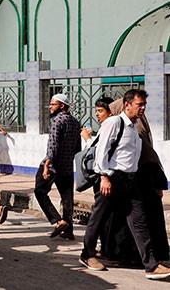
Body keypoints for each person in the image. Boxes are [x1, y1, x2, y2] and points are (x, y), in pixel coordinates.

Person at [79, 90, 170, 280]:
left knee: (139, 222)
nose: (142, 108)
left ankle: (151, 266)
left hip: (130, 182)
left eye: (144, 104)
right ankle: (87, 254)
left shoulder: (134, 128)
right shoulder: (113, 123)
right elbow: (101, 152)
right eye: (139, 104)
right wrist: (104, 176)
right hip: (111, 180)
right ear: (127, 104)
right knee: (99, 218)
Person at [34, 94, 81, 240]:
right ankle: (68, 231)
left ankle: (57, 220)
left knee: (40, 191)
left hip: (53, 165)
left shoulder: (56, 121)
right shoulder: (75, 122)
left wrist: (47, 165)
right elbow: (77, 148)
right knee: (67, 199)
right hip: (67, 166)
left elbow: (53, 145)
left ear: (62, 105)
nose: (50, 107)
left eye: (53, 104)